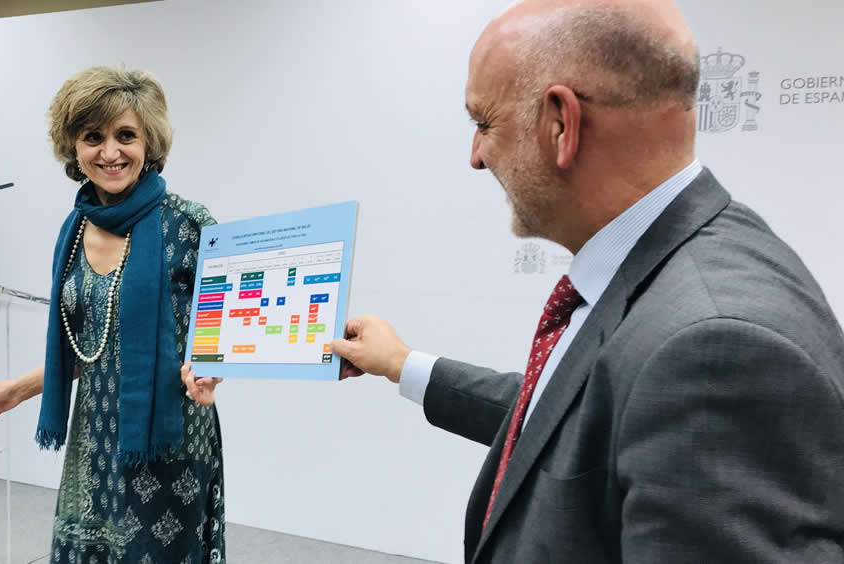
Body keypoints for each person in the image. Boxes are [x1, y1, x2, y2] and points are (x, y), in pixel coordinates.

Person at [330, 1, 844, 562]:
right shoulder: (665, 285)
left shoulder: (715, 348)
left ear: (561, 124)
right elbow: (570, 420)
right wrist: (402, 364)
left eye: (484, 123)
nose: (476, 157)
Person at [0, 66, 226, 564]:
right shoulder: (74, 230)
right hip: (95, 439)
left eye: (125, 135)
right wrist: (18, 389)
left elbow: (233, 324)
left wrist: (212, 367)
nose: (110, 152)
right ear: (74, 147)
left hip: (168, 440)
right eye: (93, 137)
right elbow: (90, 349)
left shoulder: (190, 225)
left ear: (149, 141)